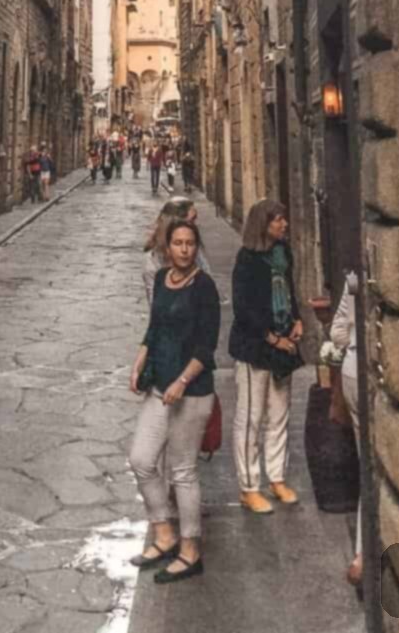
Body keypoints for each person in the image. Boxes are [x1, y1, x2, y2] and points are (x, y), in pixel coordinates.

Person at [129, 218, 219, 584]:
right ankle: (163, 532)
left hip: (192, 393)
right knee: (141, 460)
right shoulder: (164, 281)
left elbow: (206, 346)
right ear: (167, 247)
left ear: (196, 247)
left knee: (182, 472)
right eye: (178, 243)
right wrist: (138, 364)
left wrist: (183, 381)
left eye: (189, 243)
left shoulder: (204, 287)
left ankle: (190, 549)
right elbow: (153, 329)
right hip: (158, 388)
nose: (183, 249)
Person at [229, 198, 303, 514]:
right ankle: (249, 486)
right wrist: (273, 339)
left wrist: (297, 320)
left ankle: (277, 477)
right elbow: (243, 309)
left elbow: (289, 291)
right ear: (264, 224)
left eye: (283, 219)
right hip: (254, 347)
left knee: (279, 415)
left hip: (283, 343)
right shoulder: (246, 260)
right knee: (251, 418)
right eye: (278, 220)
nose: (284, 225)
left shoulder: (282, 254)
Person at [331, 272, 362, 589]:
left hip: (351, 371)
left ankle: (362, 556)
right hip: (367, 373)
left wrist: (352, 340)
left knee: (368, 467)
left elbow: (337, 330)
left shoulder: (353, 276)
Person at [143, 197, 213, 302]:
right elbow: (155, 305)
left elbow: (209, 290)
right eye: (192, 220)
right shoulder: (153, 261)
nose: (196, 225)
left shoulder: (195, 251)